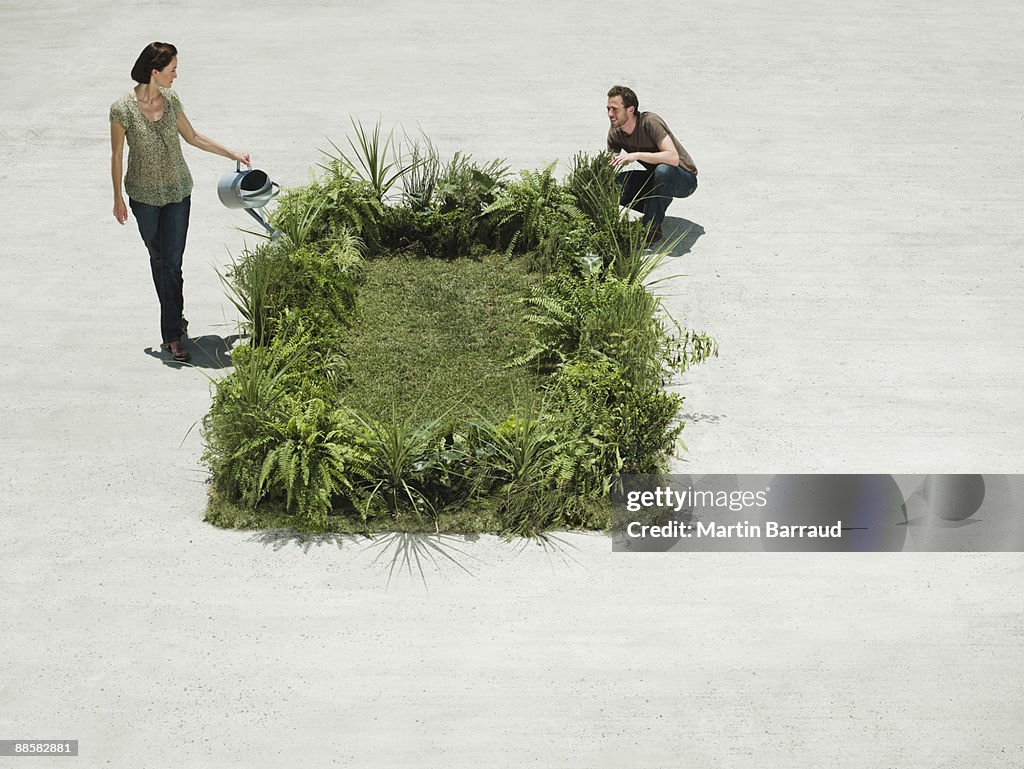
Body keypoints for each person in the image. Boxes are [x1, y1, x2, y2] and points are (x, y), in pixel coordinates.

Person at [110, 42, 251, 362]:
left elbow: (193, 137)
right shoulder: (121, 108)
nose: (176, 75)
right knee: (161, 262)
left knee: (170, 263)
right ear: (154, 71)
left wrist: (232, 153)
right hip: (143, 198)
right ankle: (176, 319)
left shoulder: (171, 101)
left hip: (177, 194)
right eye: (172, 69)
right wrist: (117, 197)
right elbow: (117, 154)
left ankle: (172, 335)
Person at [606, 85, 698, 243]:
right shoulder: (615, 132)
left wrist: (636, 155)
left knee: (663, 171)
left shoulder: (650, 122)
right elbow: (607, 167)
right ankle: (654, 208)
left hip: (683, 178)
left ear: (630, 110)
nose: (610, 114)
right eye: (608, 109)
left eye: (614, 109)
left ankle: (651, 229)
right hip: (656, 178)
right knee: (614, 183)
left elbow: (673, 158)